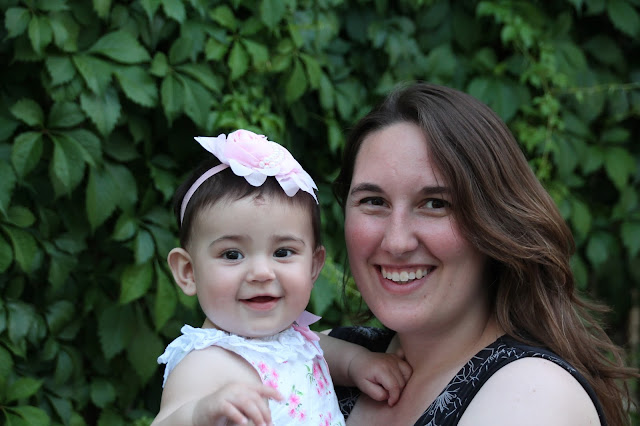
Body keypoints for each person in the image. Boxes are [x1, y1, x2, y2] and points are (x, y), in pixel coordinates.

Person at [327, 82, 638, 425]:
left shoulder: (533, 394)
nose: (396, 242)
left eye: (435, 204)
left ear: (494, 223)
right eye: (373, 201)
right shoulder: (326, 358)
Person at [151, 129, 411, 426]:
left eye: (283, 252)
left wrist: (358, 364)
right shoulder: (206, 362)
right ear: (188, 272)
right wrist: (202, 413)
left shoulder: (295, 339)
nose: (262, 273)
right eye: (232, 255)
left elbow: (325, 352)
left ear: (313, 267)